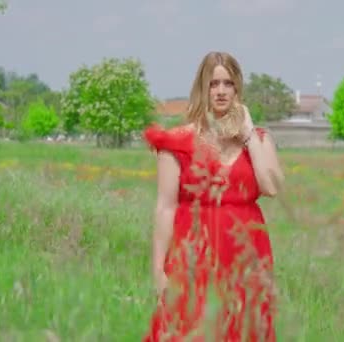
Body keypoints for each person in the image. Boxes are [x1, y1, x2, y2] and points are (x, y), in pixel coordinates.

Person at [141, 51, 285, 341]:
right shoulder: (178, 142)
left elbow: (271, 187)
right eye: (213, 83)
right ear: (202, 88)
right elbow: (165, 208)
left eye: (228, 83)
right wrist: (158, 271)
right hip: (193, 257)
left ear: (237, 88)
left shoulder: (259, 139)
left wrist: (248, 137)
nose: (220, 91)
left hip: (246, 257)